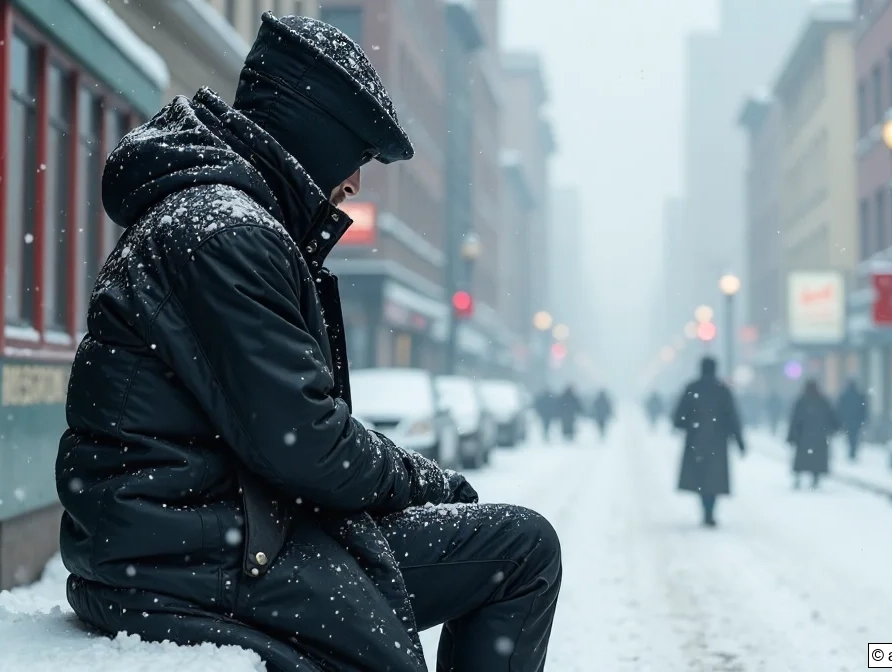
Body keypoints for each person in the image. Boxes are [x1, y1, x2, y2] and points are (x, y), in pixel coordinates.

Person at [56, 14, 561, 672]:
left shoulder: (219, 218)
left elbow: (293, 437)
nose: (353, 183)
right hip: (191, 554)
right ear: (312, 135)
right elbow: (304, 445)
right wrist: (425, 479)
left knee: (517, 544)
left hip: (192, 532)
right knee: (521, 552)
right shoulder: (228, 233)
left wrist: (411, 481)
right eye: (354, 156)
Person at [672, 357, 746, 527]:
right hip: (718, 442)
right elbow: (733, 418)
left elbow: (680, 416)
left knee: (700, 477)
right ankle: (710, 511)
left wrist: (685, 424)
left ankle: (706, 510)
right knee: (714, 478)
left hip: (696, 440)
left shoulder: (692, 388)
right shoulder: (722, 391)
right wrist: (739, 441)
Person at [787, 380, 840, 489]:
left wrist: (792, 436)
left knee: (802, 460)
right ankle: (815, 478)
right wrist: (833, 429)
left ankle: (798, 478)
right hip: (818, 438)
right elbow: (832, 418)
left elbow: (794, 420)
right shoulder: (822, 402)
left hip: (803, 438)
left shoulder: (801, 402)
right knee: (816, 460)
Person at [836, 378, 869, 462]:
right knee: (854, 436)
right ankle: (852, 451)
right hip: (856, 421)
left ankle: (851, 451)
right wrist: (863, 419)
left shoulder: (844, 396)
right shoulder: (859, 395)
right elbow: (864, 409)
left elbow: (840, 409)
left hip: (848, 421)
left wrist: (840, 419)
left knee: (850, 436)